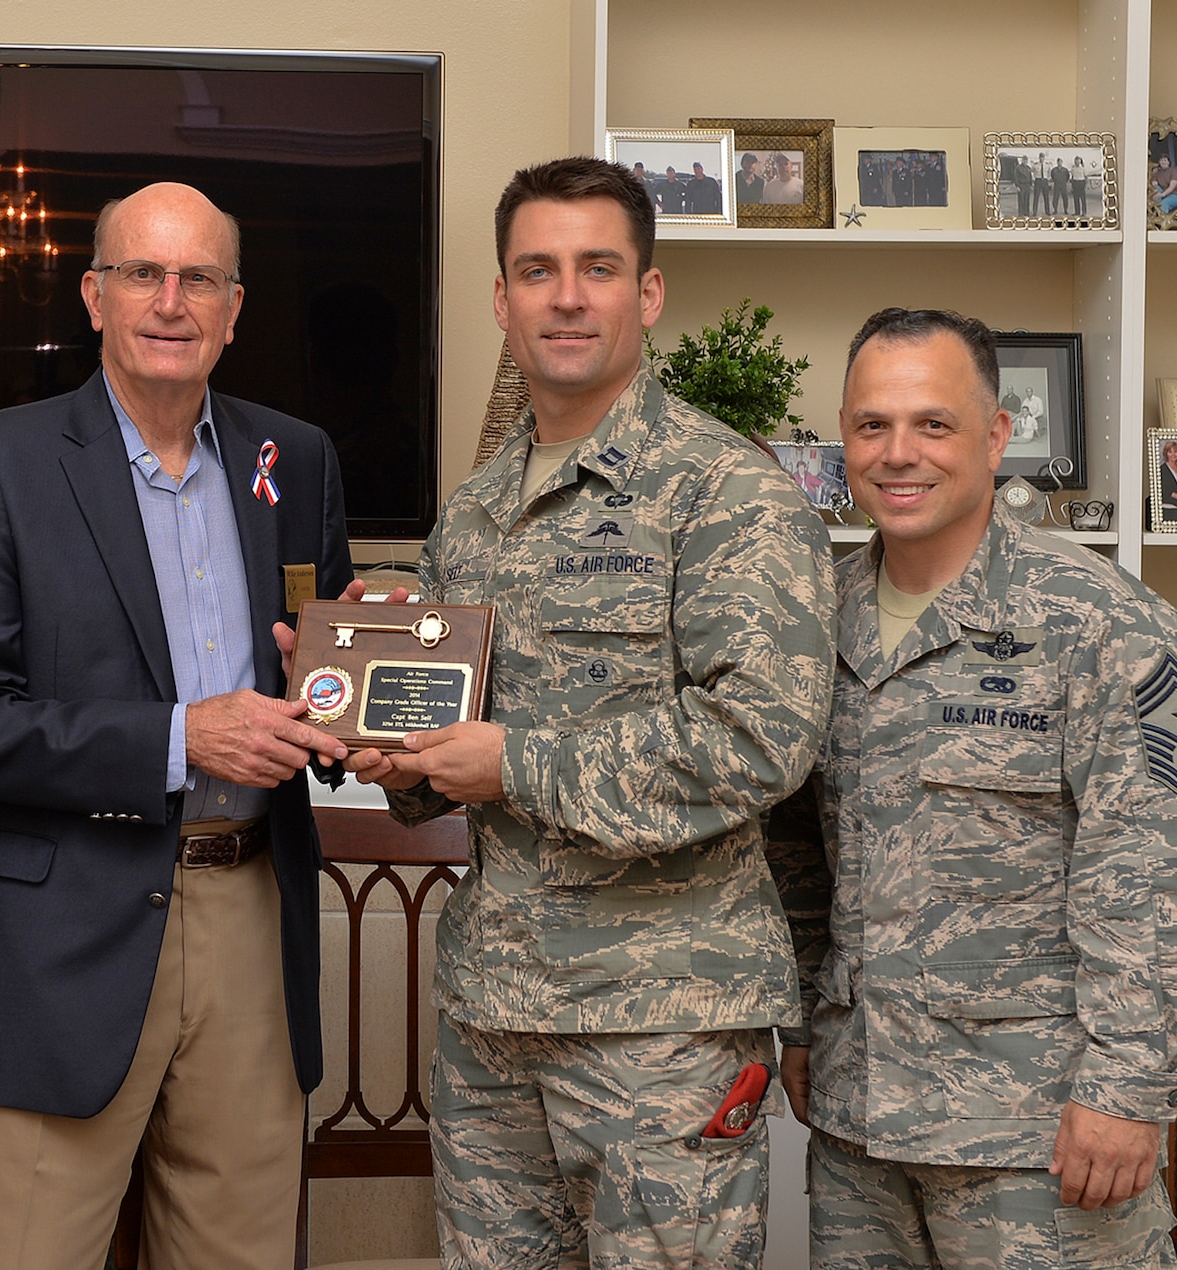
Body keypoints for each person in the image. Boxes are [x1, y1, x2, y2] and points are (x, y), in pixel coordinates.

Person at [348, 155, 835, 1268]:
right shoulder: (472, 514)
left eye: (596, 268)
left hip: (659, 1023)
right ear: (500, 299)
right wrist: (386, 745)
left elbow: (759, 739)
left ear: (645, 294)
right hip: (492, 1020)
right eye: (536, 270)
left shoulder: (725, 490)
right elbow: (453, 738)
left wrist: (508, 761)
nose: (564, 296)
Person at [0, 181, 389, 1270]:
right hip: (64, 936)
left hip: (252, 922)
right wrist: (183, 739)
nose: (169, 302)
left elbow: (327, 675)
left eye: (198, 279)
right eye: (142, 273)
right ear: (93, 296)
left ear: (233, 308)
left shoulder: (294, 459)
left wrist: (373, 677)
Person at [780, 308, 1177, 1269]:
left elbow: (1165, 884)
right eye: (872, 425)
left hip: (1041, 1137)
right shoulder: (815, 621)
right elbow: (799, 856)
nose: (899, 454)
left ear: (998, 434)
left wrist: (1126, 1093)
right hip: (860, 1131)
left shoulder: (1106, 625)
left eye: (933, 424)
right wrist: (800, 1028)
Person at [1157, 437, 1177, 521]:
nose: (1173, 454)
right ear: (1166, 453)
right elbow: (1159, 490)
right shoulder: (1162, 469)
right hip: (1168, 509)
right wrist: (1174, 495)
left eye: (1175, 452)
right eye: (1170, 452)